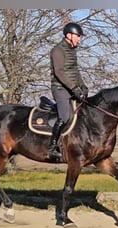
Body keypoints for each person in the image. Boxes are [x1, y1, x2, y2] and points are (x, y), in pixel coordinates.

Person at [48, 22, 88, 159]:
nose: (79, 39)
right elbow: (59, 72)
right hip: (60, 88)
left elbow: (75, 71)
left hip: (71, 88)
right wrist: (74, 88)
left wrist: (82, 86)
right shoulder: (57, 50)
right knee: (65, 117)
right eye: (78, 36)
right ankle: (53, 146)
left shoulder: (72, 51)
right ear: (69, 35)